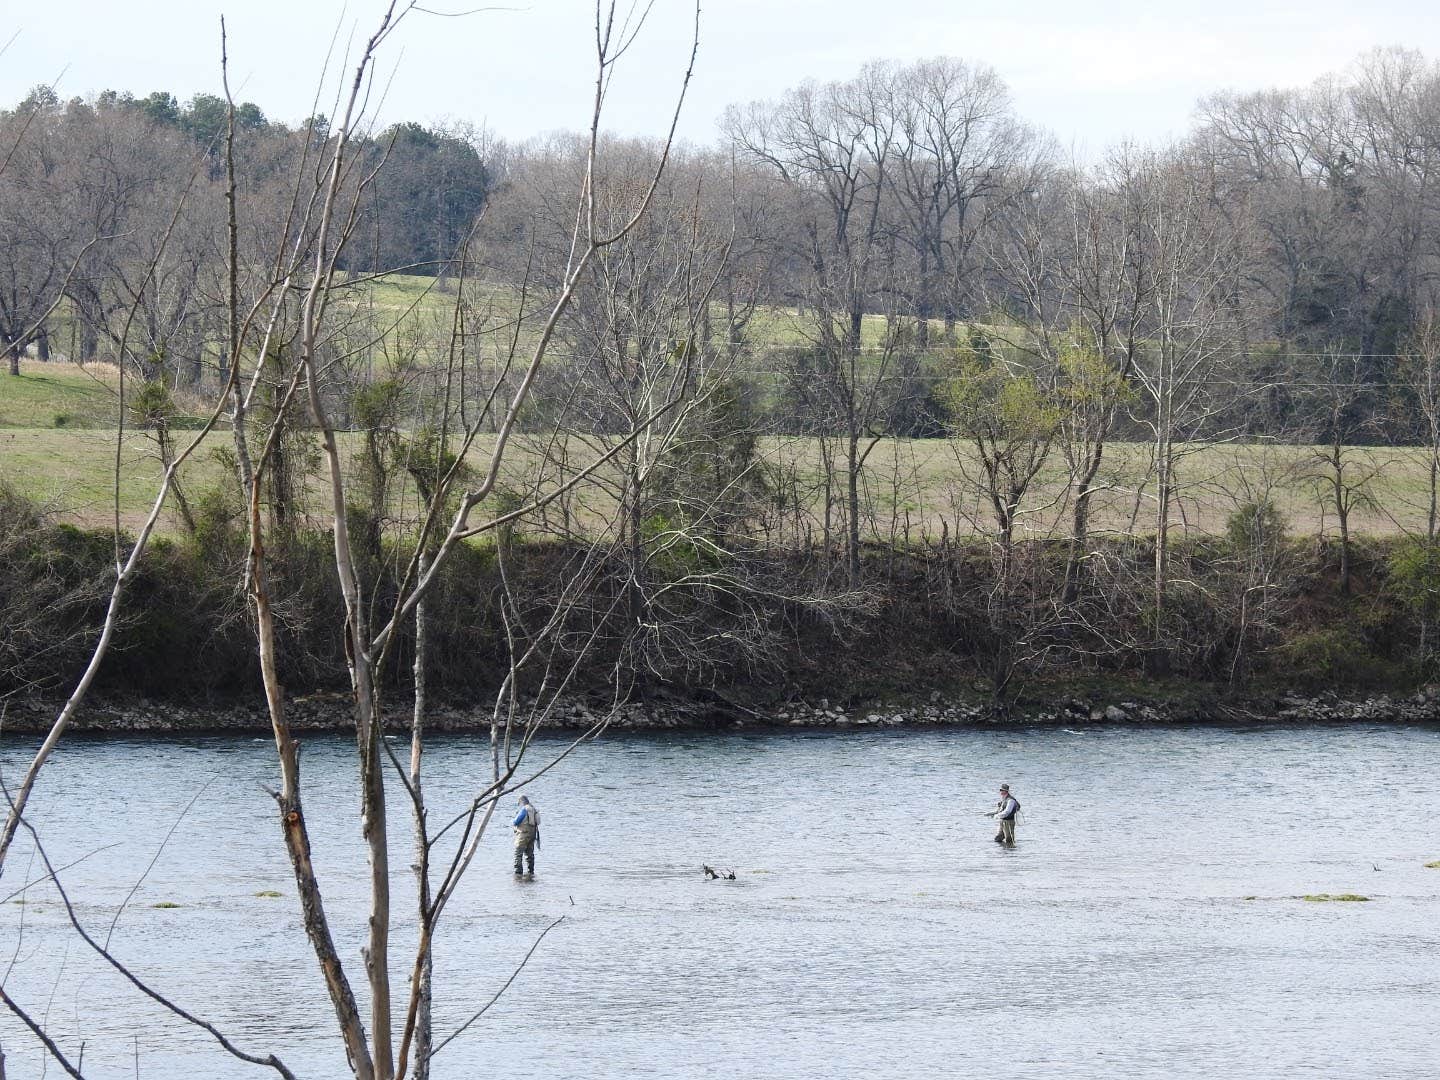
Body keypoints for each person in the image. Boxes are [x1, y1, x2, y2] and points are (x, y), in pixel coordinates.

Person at [512, 794, 540, 877]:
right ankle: (531, 872)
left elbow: (516, 822)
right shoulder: (534, 809)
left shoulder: (524, 809)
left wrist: (513, 820)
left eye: (519, 802)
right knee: (530, 854)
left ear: (522, 802)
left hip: (523, 835)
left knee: (518, 853)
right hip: (532, 834)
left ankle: (518, 873)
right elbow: (538, 822)